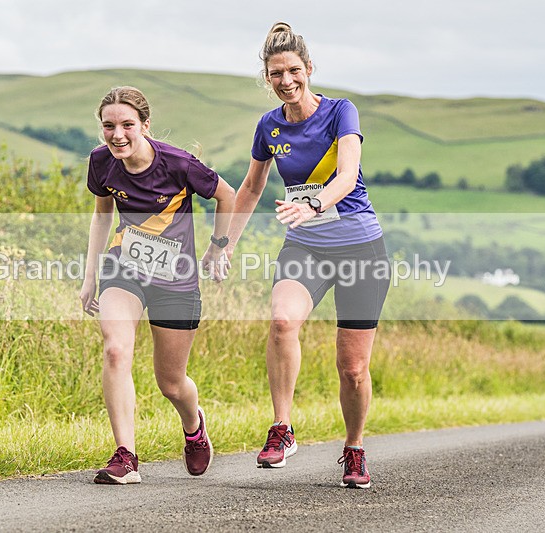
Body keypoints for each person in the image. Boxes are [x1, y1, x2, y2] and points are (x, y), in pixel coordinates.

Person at [225, 22, 390, 488]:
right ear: (267, 77)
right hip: (306, 244)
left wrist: (314, 203)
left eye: (294, 70)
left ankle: (354, 448)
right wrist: (225, 245)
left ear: (309, 69)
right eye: (276, 73)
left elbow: (346, 174)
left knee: (353, 368)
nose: (286, 80)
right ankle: (282, 427)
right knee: (282, 322)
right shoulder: (269, 126)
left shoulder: (341, 112)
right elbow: (252, 186)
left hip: (359, 245)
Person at [79, 86, 235, 485]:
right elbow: (101, 218)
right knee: (116, 349)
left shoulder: (179, 164)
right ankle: (126, 456)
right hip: (124, 268)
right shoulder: (101, 163)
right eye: (109, 126)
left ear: (145, 126)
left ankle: (193, 424)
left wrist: (218, 248)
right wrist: (90, 276)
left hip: (175, 279)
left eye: (127, 125)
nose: (118, 135)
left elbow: (227, 195)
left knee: (171, 382)